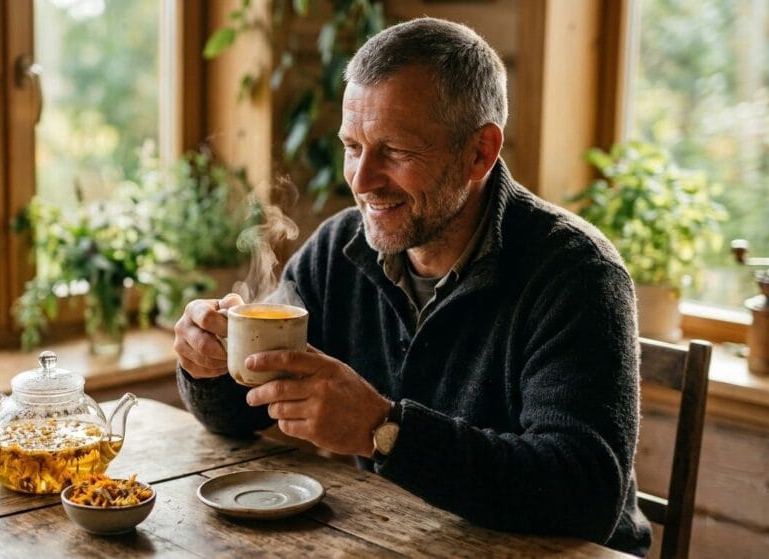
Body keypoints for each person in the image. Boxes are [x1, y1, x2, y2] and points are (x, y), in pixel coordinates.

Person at [173, 17, 651, 557]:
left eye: (394, 151)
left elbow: (585, 494)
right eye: (353, 146)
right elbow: (241, 415)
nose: (360, 179)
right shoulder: (340, 250)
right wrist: (208, 365)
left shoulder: (576, 274)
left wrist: (384, 431)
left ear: (479, 152)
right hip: (399, 539)